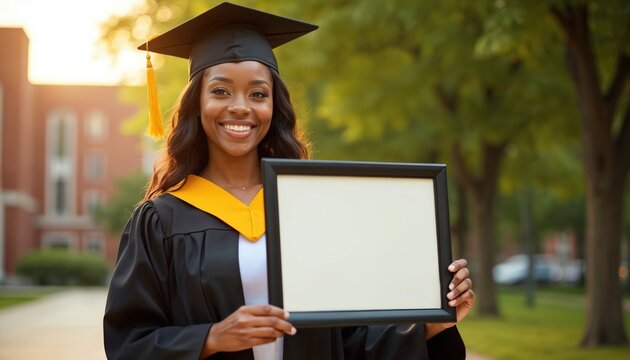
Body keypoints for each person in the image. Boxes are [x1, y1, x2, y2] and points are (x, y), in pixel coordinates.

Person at [103, 2, 475, 360]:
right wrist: (212, 338)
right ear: (196, 104)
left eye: (258, 94)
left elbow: (349, 339)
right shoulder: (162, 220)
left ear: (273, 106)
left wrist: (429, 327)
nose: (240, 106)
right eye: (220, 90)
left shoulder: (310, 211)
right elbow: (129, 342)